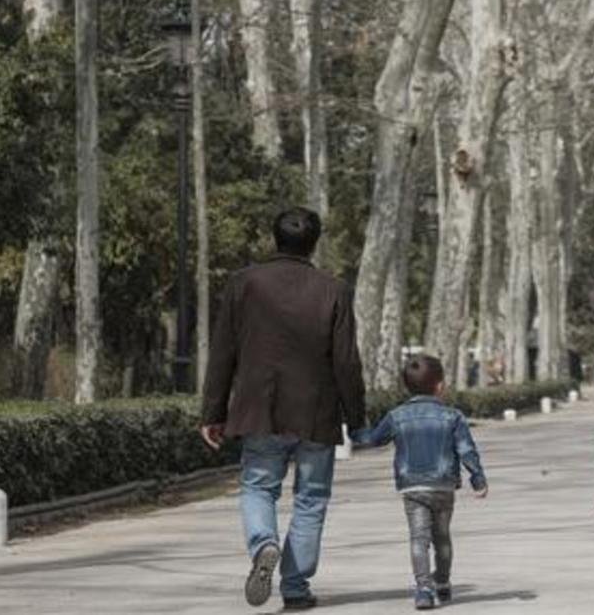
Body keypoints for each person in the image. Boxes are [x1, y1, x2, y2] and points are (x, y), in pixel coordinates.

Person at [200, 207, 367, 611]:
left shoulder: (244, 283)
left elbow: (224, 351)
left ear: (274, 238)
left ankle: (264, 542)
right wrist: (357, 418)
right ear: (315, 242)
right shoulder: (334, 290)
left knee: (258, 486)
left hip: (261, 408)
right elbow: (346, 361)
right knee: (311, 498)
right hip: (316, 412)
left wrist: (212, 412)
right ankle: (295, 588)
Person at [352, 355, 488, 611]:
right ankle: (443, 582)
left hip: (412, 486)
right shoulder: (453, 416)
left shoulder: (397, 416)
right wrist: (478, 478)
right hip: (443, 485)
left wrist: (353, 431)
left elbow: (373, 439)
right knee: (443, 538)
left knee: (418, 538)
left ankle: (424, 589)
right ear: (440, 386)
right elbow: (467, 449)